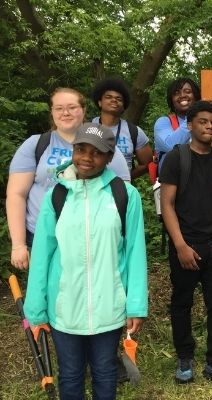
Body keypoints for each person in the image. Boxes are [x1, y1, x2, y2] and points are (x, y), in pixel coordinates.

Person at [23, 122, 148, 400]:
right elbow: (42, 254)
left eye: (97, 152)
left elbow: (135, 253)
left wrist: (136, 305)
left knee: (105, 371)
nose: (87, 158)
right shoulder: (56, 196)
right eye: (81, 149)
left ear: (110, 157)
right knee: (70, 373)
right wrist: (35, 309)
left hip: (109, 305)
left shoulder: (125, 195)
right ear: (73, 149)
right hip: (64, 307)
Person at [159, 100, 212, 389]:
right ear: (190, 125)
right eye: (203, 122)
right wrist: (179, 244)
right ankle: (184, 358)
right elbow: (166, 204)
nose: (209, 127)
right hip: (186, 245)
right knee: (182, 302)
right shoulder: (176, 158)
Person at [7, 87, 130, 270]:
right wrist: (18, 245)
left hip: (90, 236)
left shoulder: (106, 146)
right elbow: (16, 194)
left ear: (83, 110)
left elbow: (122, 195)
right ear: (52, 112)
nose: (65, 113)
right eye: (59, 108)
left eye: (72, 107)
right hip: (41, 236)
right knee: (44, 290)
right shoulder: (36, 144)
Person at [154, 77, 212, 173]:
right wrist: (194, 114)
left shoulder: (208, 124)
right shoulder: (163, 122)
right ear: (172, 100)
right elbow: (170, 146)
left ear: (196, 97)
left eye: (187, 91)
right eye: (176, 93)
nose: (182, 95)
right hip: (174, 185)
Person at [91, 77, 153, 179]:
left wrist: (126, 177)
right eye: (108, 97)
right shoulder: (86, 127)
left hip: (121, 191)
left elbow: (147, 163)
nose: (114, 100)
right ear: (99, 102)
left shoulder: (134, 132)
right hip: (89, 188)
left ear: (124, 105)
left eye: (119, 98)